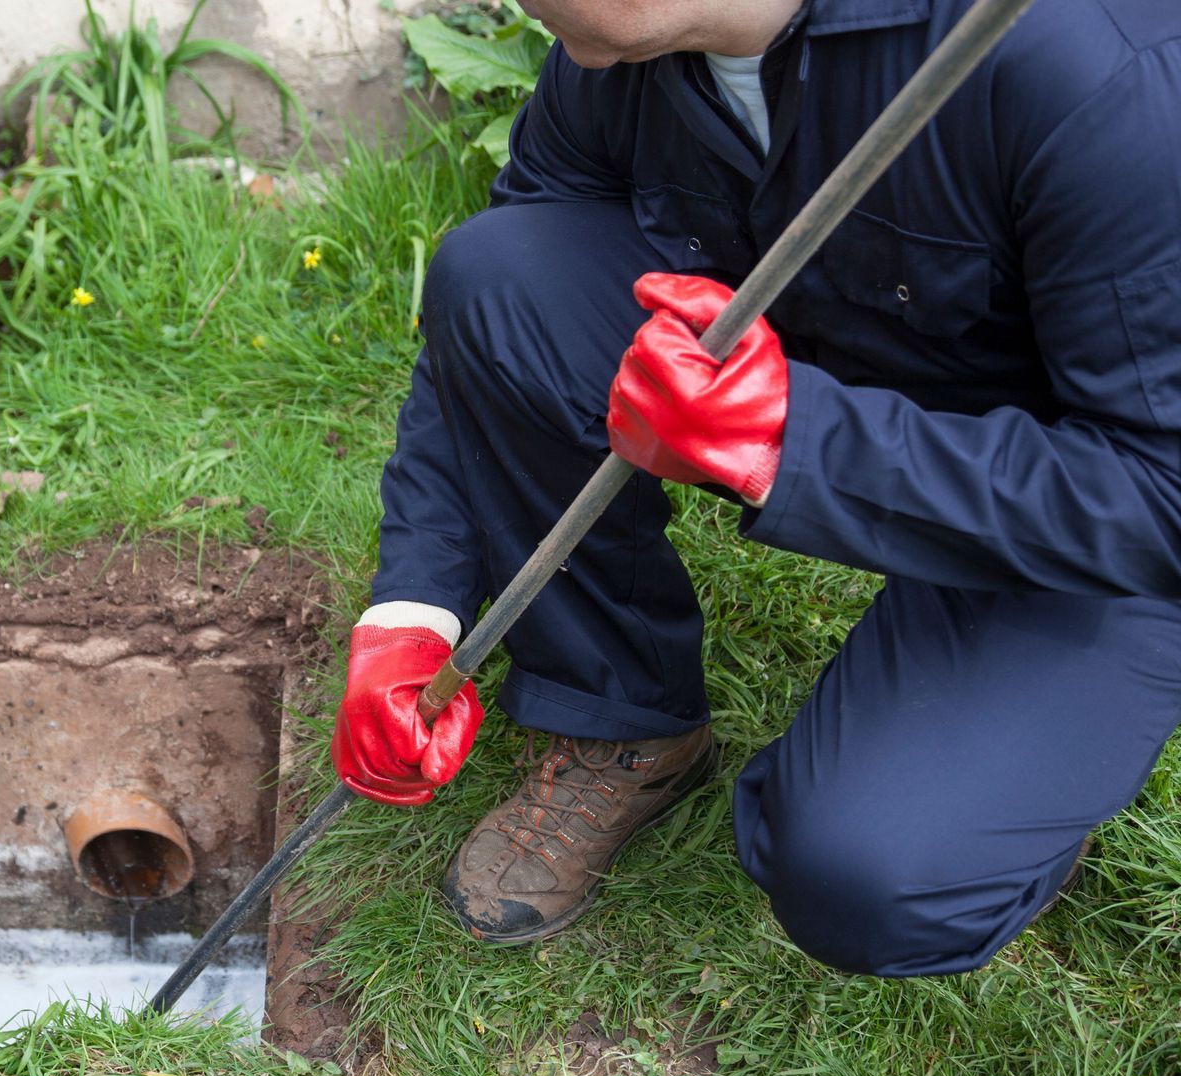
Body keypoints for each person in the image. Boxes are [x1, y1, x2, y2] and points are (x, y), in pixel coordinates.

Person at [330, 0, 1181, 976]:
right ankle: (626, 722)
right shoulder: (628, 51)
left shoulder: (1099, 71)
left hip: (1086, 500)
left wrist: (796, 438)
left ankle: (1004, 794)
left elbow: (1161, 493)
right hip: (848, 361)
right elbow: (491, 310)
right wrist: (416, 606)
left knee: (870, 868)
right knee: (499, 273)